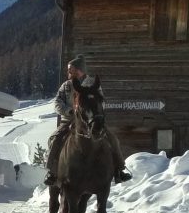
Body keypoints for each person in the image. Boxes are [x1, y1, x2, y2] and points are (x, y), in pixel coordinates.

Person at [44, 55, 132, 186]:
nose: (68, 72)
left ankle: (119, 170)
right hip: (69, 120)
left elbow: (100, 101)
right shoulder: (66, 86)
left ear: (79, 70)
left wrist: (95, 114)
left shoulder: (93, 83)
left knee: (112, 138)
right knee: (55, 138)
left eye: (70, 69)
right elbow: (57, 102)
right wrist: (68, 111)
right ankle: (52, 171)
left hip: (91, 121)